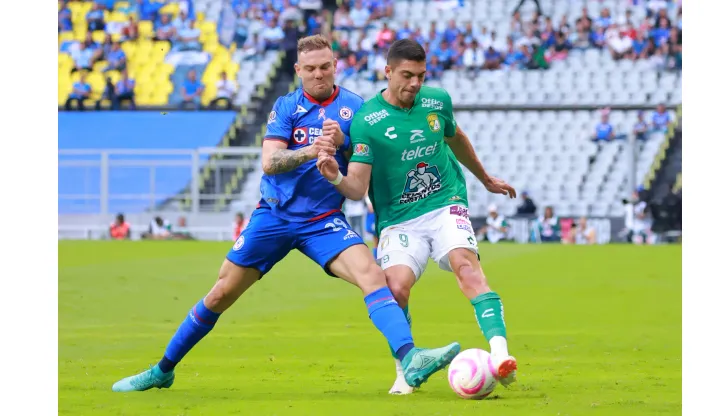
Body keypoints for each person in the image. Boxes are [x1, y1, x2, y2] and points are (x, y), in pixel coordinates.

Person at [111, 35, 459, 393]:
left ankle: (410, 357)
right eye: (310, 69)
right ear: (298, 70)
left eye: (325, 67)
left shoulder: (358, 110)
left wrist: (344, 143)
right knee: (219, 295)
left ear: (336, 66)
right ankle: (162, 369)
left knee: (374, 276)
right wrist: (312, 149)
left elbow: (361, 170)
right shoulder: (286, 107)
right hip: (274, 217)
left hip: (323, 221)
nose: (319, 75)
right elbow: (270, 162)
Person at [315, 38, 518, 395]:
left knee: (466, 266)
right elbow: (357, 189)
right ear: (388, 72)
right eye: (407, 76)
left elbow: (456, 138)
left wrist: (485, 179)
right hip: (398, 219)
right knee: (395, 289)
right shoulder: (367, 122)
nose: (415, 84)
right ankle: (404, 369)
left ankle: (500, 355)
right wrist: (334, 174)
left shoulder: (437, 101)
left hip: (445, 202)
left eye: (421, 76)